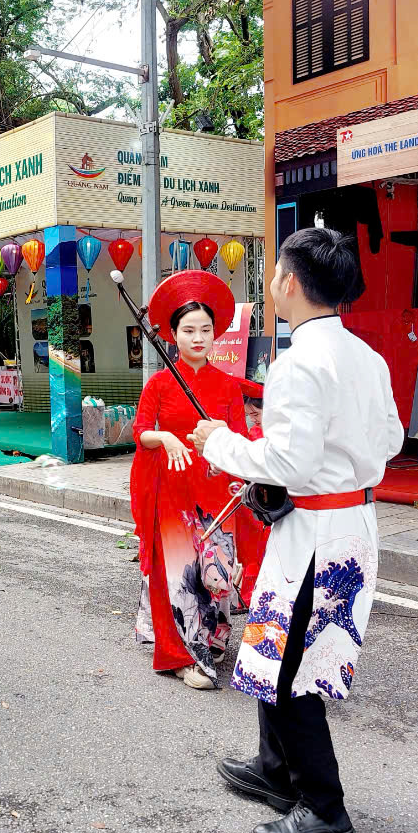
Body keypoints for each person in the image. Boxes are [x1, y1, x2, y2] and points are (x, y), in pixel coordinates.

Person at [189, 226, 404, 833]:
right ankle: (276, 771)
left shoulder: (296, 363)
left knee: (291, 669)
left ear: (289, 281)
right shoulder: (367, 357)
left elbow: (285, 462)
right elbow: (390, 441)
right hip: (344, 527)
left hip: (315, 534)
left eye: (276, 271)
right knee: (274, 648)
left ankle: (323, 806)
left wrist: (218, 443)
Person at [129, 271, 248, 691]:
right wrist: (165, 437)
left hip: (217, 490)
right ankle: (179, 656)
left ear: (216, 334)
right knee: (180, 572)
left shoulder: (228, 385)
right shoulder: (160, 382)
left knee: (217, 572)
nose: (198, 337)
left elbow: (241, 437)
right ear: (173, 335)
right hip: (174, 487)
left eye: (206, 329)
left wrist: (226, 455)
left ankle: (213, 637)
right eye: (188, 329)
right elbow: (141, 430)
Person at [232, 378, 269, 610]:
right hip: (253, 497)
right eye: (250, 414)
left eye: (256, 413)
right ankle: (248, 592)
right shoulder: (254, 432)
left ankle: (250, 594)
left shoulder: (264, 434)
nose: (253, 418)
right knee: (250, 549)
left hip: (266, 500)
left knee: (257, 548)